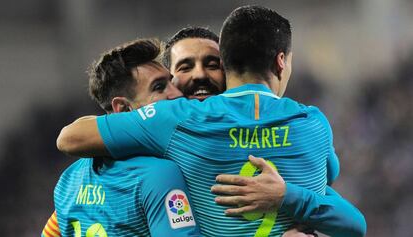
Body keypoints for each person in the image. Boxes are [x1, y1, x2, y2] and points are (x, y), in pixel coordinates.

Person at [56, 8, 367, 236]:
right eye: (185, 67)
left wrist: (287, 196)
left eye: (211, 64)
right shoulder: (162, 150)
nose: (200, 75)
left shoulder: (173, 133)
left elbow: (349, 218)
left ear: (228, 67)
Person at [42, 39, 201, 237]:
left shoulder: (69, 179)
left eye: (172, 82)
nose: (177, 94)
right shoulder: (159, 175)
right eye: (159, 87)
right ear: (124, 109)